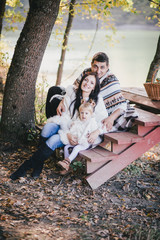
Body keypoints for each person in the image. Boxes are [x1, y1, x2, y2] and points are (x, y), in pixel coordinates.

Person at [10, 72, 108, 180]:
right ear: (81, 81)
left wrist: (96, 132)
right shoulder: (72, 92)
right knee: (46, 130)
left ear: (94, 87)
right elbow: (64, 117)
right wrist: (68, 134)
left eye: (91, 82)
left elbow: (104, 121)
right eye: (85, 80)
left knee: (52, 141)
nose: (87, 84)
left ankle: (25, 167)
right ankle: (38, 165)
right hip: (66, 127)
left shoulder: (96, 101)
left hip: (80, 134)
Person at [46, 52, 138, 133]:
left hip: (89, 107)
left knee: (54, 102)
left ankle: (58, 128)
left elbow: (121, 105)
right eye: (95, 66)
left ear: (107, 67)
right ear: (91, 64)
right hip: (79, 98)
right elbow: (75, 87)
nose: (98, 71)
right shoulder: (87, 71)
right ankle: (53, 124)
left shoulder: (111, 81)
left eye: (102, 67)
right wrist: (63, 100)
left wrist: (111, 118)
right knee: (53, 90)